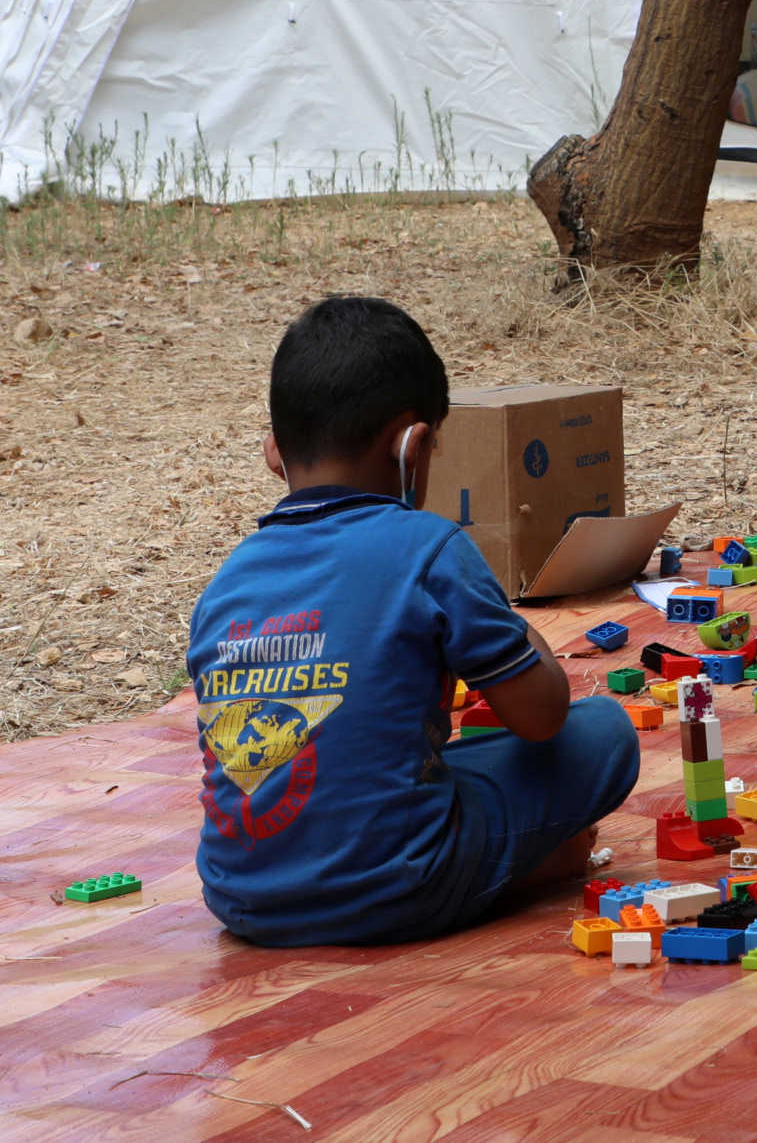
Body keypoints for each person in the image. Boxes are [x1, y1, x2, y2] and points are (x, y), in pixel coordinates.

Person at [186, 297, 638, 948]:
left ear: (274, 453)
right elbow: (542, 715)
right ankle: (533, 870)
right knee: (604, 731)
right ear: (414, 445)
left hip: (241, 896)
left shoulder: (224, 585)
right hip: (398, 883)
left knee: (416, 760)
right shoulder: (430, 548)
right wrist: (503, 619)